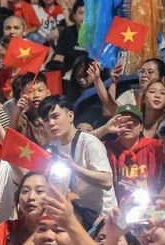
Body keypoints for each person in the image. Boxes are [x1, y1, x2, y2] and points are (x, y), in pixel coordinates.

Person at [39, 95, 116, 224]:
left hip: (101, 217)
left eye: (55, 117)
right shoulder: (53, 147)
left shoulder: (89, 143)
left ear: (70, 116)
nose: (51, 123)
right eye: (46, 120)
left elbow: (107, 181)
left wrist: (74, 168)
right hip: (74, 214)